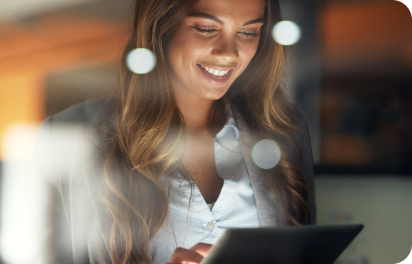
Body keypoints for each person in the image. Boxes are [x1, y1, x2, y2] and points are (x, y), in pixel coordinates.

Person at [30, 0, 316, 263]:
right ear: (160, 27)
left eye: (249, 33)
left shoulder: (284, 130)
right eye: (206, 29)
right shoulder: (73, 135)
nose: (229, 53)